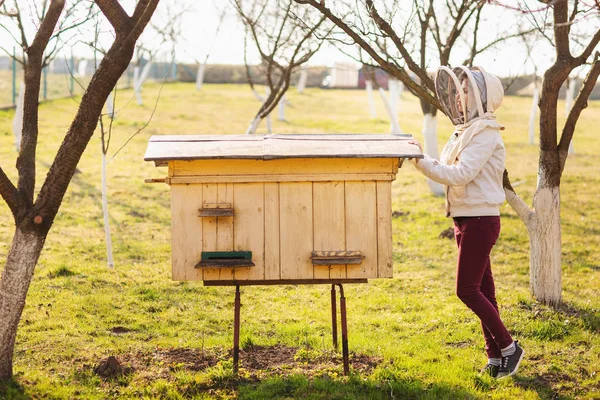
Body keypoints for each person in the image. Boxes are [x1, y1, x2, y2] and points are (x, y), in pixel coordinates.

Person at [409, 66, 524, 378]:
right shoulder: (467, 130)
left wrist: (420, 161)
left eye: (467, 91)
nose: (460, 98)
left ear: (483, 97)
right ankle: (495, 357)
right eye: (459, 91)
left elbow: (460, 174)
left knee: (467, 290)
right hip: (465, 219)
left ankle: (510, 348)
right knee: (485, 293)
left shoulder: (485, 135)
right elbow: (450, 168)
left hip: (481, 221)